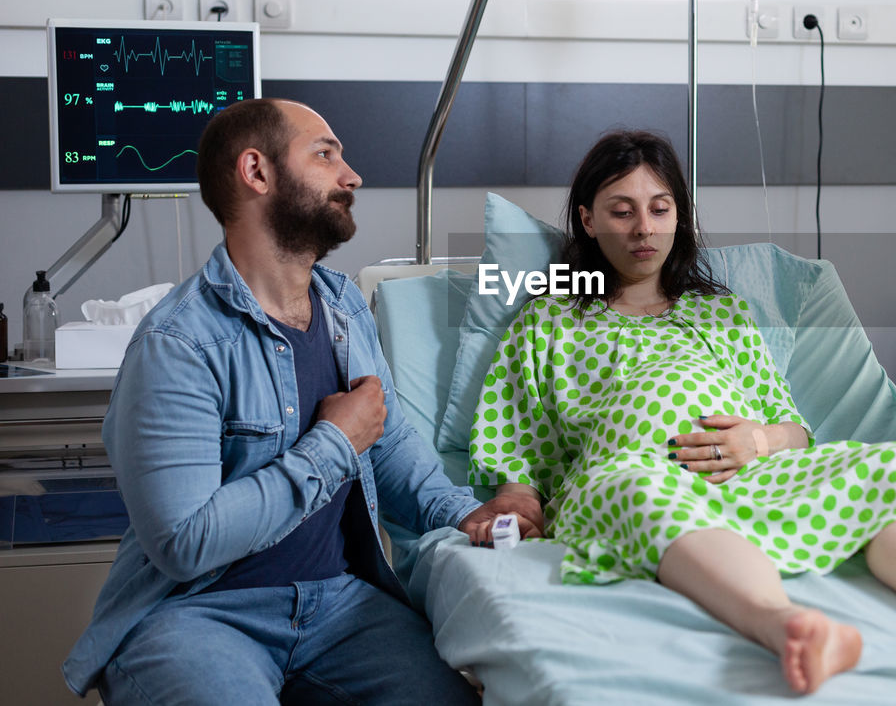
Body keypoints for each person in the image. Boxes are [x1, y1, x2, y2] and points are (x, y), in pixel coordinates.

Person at [466, 130, 896, 695]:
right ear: (587, 220)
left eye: (659, 209)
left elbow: (793, 428)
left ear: (679, 215)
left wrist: (759, 443)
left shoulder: (720, 313)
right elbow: (521, 444)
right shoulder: (549, 320)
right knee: (640, 494)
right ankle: (786, 624)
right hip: (630, 475)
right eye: (621, 212)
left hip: (753, 476)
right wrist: (516, 504)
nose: (644, 230)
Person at [62, 98, 542, 703]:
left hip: (339, 604)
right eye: (326, 154)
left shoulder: (343, 308)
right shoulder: (178, 344)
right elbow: (184, 543)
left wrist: (462, 511)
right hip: (198, 614)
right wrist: (332, 444)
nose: (352, 176)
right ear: (257, 173)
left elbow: (386, 442)